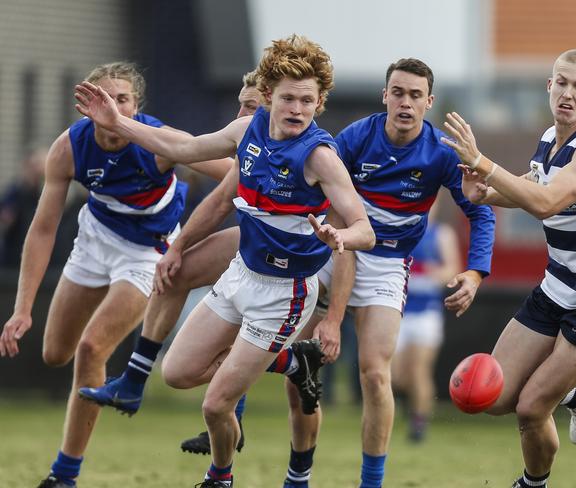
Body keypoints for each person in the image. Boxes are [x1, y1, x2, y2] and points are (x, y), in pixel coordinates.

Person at [74, 34, 375, 488]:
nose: (297, 109)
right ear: (269, 96)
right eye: (289, 98)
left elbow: (365, 230)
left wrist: (340, 234)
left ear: (320, 102)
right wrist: (119, 121)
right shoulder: (246, 131)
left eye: (308, 101)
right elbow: (182, 149)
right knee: (176, 373)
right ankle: (294, 363)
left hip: (285, 293)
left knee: (215, 405)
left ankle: (220, 477)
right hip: (240, 276)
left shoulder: (320, 156)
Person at [0, 61, 230, 488]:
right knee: (55, 353)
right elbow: (43, 227)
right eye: (102, 97)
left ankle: (63, 475)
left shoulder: (158, 142)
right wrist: (22, 309)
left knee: (92, 349)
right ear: (87, 105)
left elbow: (234, 171)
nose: (112, 106)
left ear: (135, 106)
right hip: (95, 239)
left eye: (121, 98)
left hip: (147, 252)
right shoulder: (69, 147)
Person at [77, 68, 318, 456]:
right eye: (240, 103)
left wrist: (337, 308)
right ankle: (140, 379)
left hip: (301, 267)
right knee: (178, 277)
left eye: (250, 105)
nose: (241, 113)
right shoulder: (251, 138)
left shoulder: (310, 150)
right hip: (254, 252)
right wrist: (176, 246)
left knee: (338, 382)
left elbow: (351, 216)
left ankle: (302, 474)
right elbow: (197, 167)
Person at [281, 58, 495, 488]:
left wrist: (475, 273)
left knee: (376, 373)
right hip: (333, 250)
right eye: (398, 92)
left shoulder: (440, 152)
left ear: (428, 102)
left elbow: (481, 211)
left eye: (416, 95)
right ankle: (298, 474)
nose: (406, 102)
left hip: (386, 264)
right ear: (385, 96)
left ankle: (371, 483)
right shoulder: (358, 137)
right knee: (300, 363)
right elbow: (312, 181)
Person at [441, 49, 576, 488]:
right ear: (549, 86)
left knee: (531, 407)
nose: (568, 93)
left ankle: (533, 484)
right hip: (557, 287)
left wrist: (483, 164)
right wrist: (487, 195)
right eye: (562, 83)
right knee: (492, 396)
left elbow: (549, 202)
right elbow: (535, 185)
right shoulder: (550, 137)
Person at [391, 207, 461, 442]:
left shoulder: (441, 234)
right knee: (396, 375)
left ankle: (419, 423)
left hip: (427, 312)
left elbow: (452, 269)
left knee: (420, 370)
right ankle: (408, 405)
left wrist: (434, 273)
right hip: (398, 311)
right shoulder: (399, 230)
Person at [0, 146, 47, 266]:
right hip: (14, 257)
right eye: (33, 166)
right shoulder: (14, 192)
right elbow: (6, 220)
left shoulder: (44, 193)